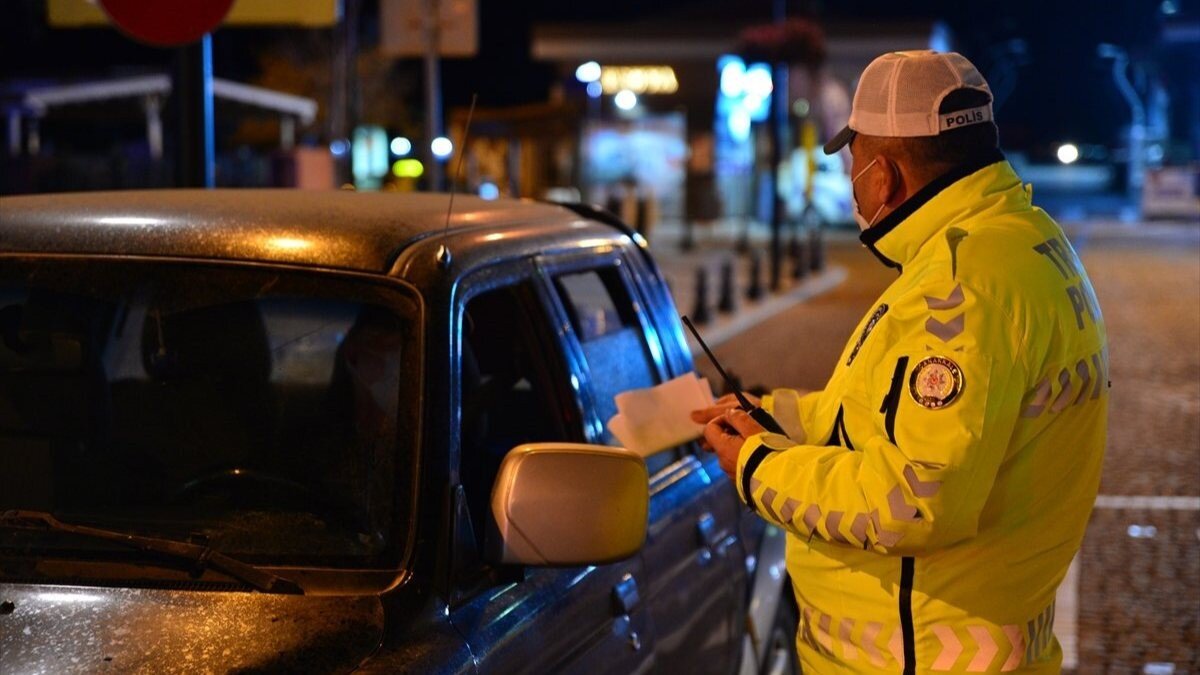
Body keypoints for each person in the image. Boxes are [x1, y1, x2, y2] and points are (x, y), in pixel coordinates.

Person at [692, 50, 1108, 674]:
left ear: (882, 175)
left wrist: (757, 465)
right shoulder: (1022, 241)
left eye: (853, 163)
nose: (852, 183)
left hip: (917, 658)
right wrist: (774, 416)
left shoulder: (960, 289)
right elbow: (888, 418)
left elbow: (911, 500)